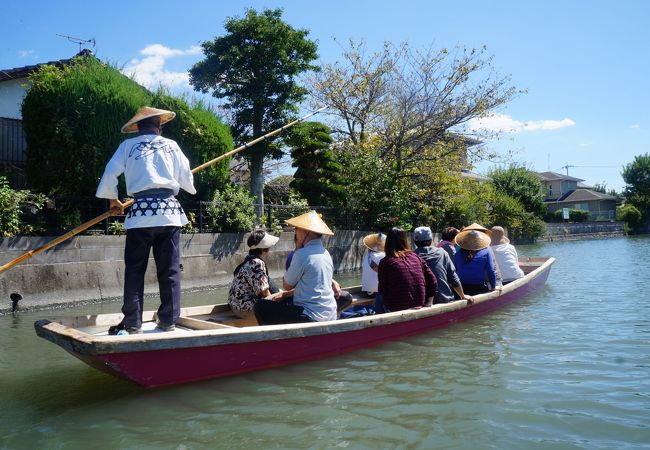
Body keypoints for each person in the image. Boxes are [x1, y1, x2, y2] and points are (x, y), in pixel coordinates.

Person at [96, 106, 196, 335]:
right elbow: (187, 179)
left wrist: (113, 201)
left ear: (137, 128)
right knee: (169, 270)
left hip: (140, 213)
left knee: (134, 270)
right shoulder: (172, 145)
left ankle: (132, 323)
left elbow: (110, 172)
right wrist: (182, 183)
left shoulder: (127, 146)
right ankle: (168, 320)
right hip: (169, 213)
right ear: (159, 126)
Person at [254, 211, 341, 325]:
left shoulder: (301, 254)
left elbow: (287, 285)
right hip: (330, 313)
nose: (295, 232)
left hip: (310, 315)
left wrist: (297, 250)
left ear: (305, 231)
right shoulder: (326, 253)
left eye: (297, 229)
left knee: (260, 306)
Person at [377, 227, 437, 312]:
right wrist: (429, 303)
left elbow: (382, 289)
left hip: (396, 308)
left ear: (388, 242)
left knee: (379, 296)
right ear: (405, 240)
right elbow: (433, 281)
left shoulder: (385, 262)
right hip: (419, 304)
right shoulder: (416, 257)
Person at [228, 229, 281, 321]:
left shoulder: (249, 259)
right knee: (282, 309)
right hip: (243, 309)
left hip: (236, 306)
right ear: (264, 249)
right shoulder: (257, 263)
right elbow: (265, 292)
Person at [413, 226, 472, 304]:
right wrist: (462, 295)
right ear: (431, 240)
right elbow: (453, 277)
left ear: (414, 241)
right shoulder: (442, 253)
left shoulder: (411, 256)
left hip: (422, 302)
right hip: (444, 299)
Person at [453, 225, 498, 295]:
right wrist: (493, 287)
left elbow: (455, 271)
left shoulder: (457, 253)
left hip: (461, 289)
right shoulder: (486, 251)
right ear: (479, 241)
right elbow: (491, 271)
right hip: (479, 287)